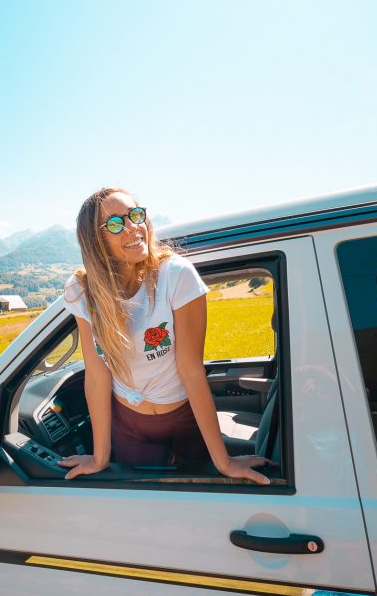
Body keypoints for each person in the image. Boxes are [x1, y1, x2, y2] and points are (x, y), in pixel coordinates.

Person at [58, 186, 272, 485]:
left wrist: (224, 462)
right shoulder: (82, 291)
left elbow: (191, 370)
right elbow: (96, 376)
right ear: (96, 241)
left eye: (135, 215)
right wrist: (99, 458)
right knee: (146, 512)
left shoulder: (176, 275)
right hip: (128, 424)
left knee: (201, 500)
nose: (134, 228)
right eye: (117, 224)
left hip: (183, 417)